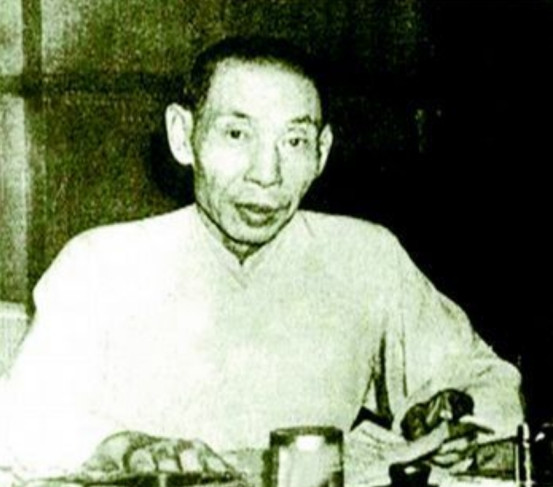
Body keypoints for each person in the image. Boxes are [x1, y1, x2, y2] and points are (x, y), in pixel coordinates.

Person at [0, 37, 522, 484]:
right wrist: (128, 448)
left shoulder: (364, 256)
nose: (267, 174)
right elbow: (24, 422)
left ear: (321, 152)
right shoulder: (101, 265)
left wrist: (455, 409)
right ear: (184, 136)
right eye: (237, 134)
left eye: (294, 141)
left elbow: (483, 377)